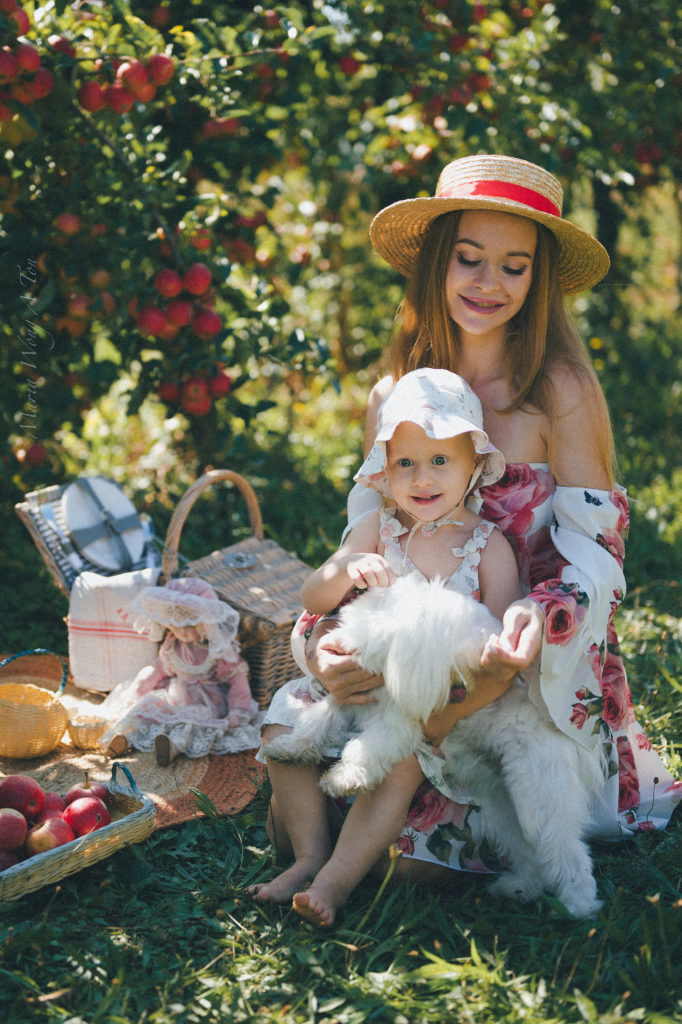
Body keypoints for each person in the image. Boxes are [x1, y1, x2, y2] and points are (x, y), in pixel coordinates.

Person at [257, 154, 682, 923]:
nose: (488, 283)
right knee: (303, 771)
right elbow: (364, 543)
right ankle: (329, 849)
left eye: (514, 267)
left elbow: (597, 550)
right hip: (405, 651)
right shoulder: (396, 395)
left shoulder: (558, 390)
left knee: (410, 864)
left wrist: (539, 614)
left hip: (512, 660)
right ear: (436, 264)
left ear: (538, 281)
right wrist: (318, 641)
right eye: (469, 259)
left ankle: (400, 818)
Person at [251, 368, 523, 926]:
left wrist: (456, 674)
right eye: (405, 463)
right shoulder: (378, 527)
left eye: (440, 461)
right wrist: (346, 566)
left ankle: (334, 881)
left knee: (398, 765)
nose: (422, 479)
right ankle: (307, 855)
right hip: (354, 686)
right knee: (282, 722)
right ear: (385, 470)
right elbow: (312, 594)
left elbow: (496, 645)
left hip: (418, 703)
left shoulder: (489, 546)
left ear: (474, 462)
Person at [99, 577, 262, 765]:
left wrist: (237, 709)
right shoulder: (172, 645)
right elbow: (159, 669)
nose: (181, 632)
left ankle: (173, 747)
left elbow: (236, 678)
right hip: (175, 696)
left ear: (205, 624)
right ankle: (126, 738)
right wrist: (141, 688)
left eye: (189, 626)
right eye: (176, 625)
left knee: (191, 725)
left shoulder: (216, 652)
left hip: (207, 703)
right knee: (148, 708)